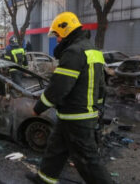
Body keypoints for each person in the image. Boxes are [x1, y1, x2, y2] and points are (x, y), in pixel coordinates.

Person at [26, 12, 112, 184]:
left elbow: (59, 87)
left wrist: (38, 108)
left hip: (76, 117)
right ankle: (44, 179)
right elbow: (101, 86)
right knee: (55, 150)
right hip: (74, 116)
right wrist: (98, 109)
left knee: (87, 161)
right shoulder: (93, 50)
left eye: (57, 35)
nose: (57, 40)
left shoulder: (73, 52)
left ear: (66, 31)